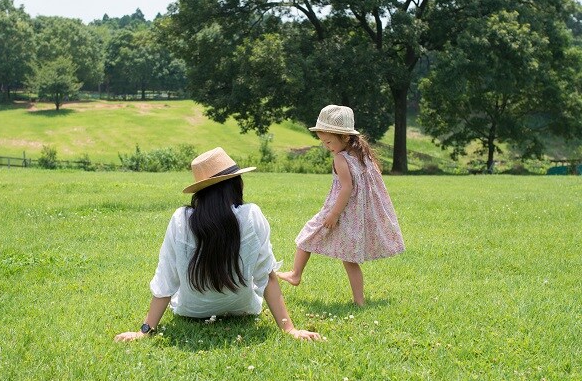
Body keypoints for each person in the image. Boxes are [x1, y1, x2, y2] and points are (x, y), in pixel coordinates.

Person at [114, 147, 321, 342]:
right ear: (234, 184)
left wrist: (144, 330)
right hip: (243, 308)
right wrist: (289, 329)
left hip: (191, 311)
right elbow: (266, 276)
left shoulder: (181, 219)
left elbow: (166, 278)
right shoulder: (251, 215)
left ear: (200, 192)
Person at [277, 105, 405, 306]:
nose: (327, 146)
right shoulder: (363, 153)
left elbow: (347, 188)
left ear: (345, 137)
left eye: (329, 141)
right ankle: (359, 301)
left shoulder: (341, 158)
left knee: (306, 236)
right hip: (357, 213)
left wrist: (334, 214)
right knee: (349, 258)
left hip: (339, 209)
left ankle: (295, 274)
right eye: (323, 142)